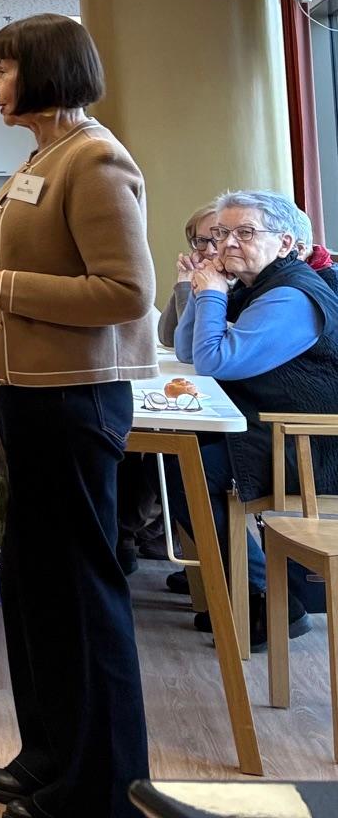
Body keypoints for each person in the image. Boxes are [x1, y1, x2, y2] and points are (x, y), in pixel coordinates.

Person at [0, 12, 154, 818]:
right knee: (32, 585)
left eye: (5, 69)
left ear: (47, 70)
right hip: (27, 390)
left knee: (80, 591)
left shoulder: (94, 158)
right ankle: (51, 754)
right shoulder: (39, 158)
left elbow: (125, 293)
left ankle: (103, 788)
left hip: (73, 398)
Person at [168, 190, 338, 645]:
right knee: (174, 459)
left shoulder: (291, 296)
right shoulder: (253, 286)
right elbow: (187, 350)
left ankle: (266, 599)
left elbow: (214, 359)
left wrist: (211, 294)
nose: (227, 243)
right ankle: (250, 592)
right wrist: (200, 289)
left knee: (189, 469)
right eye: (222, 233)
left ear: (285, 243)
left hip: (308, 446)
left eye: (245, 232)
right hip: (268, 430)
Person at [160, 202, 221, 347]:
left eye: (217, 240)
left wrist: (186, 286)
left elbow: (190, 342)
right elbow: (168, 337)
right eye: (201, 241)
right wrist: (185, 280)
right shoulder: (205, 276)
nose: (209, 251)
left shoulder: (240, 282)